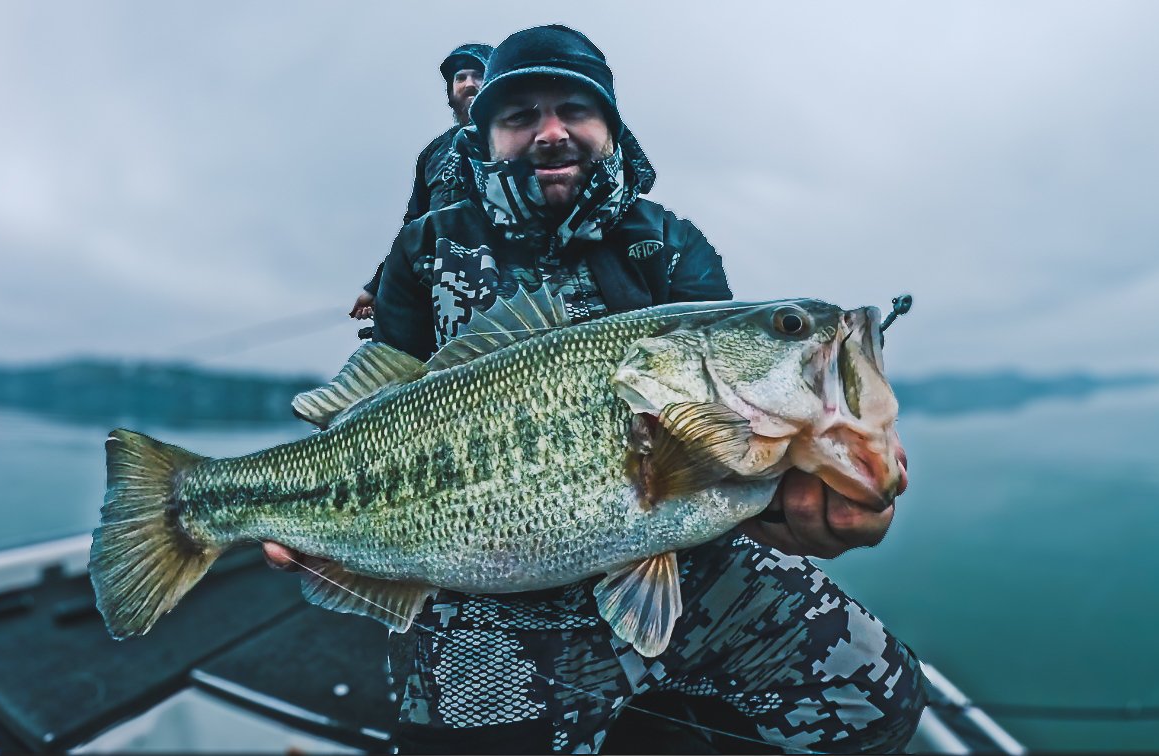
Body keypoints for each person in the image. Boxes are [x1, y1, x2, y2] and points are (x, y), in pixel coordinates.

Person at [270, 25, 925, 754]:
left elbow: (726, 455)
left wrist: (797, 499)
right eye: (520, 115)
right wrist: (320, 505)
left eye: (574, 109)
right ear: (486, 136)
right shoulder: (426, 246)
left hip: (679, 560)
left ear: (611, 127)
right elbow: (383, 393)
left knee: (875, 699)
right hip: (476, 588)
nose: (550, 131)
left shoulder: (671, 244)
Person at [349, 42, 494, 322]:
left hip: (503, 284)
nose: (469, 84)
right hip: (440, 287)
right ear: (451, 92)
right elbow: (413, 227)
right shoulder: (432, 154)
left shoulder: (519, 139)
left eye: (478, 75)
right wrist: (376, 287)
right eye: (460, 78)